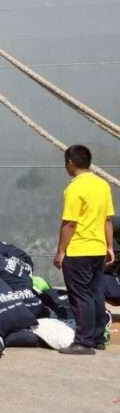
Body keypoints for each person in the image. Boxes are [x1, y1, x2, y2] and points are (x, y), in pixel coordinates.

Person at [55, 144, 115, 355]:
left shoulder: (74, 188)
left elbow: (70, 223)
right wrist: (109, 246)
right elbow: (108, 219)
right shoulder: (102, 185)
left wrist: (61, 251)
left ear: (70, 163)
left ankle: (84, 341)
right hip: (98, 248)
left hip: (78, 249)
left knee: (80, 297)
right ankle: (98, 337)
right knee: (96, 293)